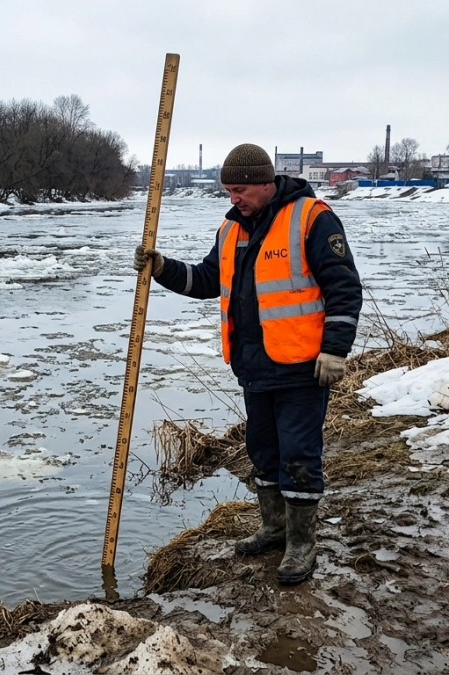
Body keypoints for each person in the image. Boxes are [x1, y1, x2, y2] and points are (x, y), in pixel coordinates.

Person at [133, 143, 362, 585]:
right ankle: (273, 528)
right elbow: (206, 280)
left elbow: (344, 288)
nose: (233, 198)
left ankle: (301, 543)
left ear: (265, 183)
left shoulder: (312, 218)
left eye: (239, 190)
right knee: (263, 452)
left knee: (299, 456)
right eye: (228, 191)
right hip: (254, 367)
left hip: (302, 367)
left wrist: (336, 350)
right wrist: (162, 268)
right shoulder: (231, 229)